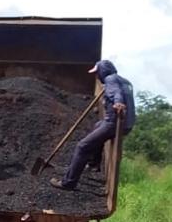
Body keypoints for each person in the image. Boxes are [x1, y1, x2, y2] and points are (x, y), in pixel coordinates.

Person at [51, 59, 136, 192]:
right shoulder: (124, 81)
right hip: (127, 124)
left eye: (97, 73)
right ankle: (94, 164)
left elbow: (116, 93)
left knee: (82, 146)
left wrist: (118, 103)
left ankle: (68, 183)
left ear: (103, 71)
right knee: (98, 125)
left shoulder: (110, 80)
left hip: (114, 123)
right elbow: (118, 91)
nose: (97, 76)